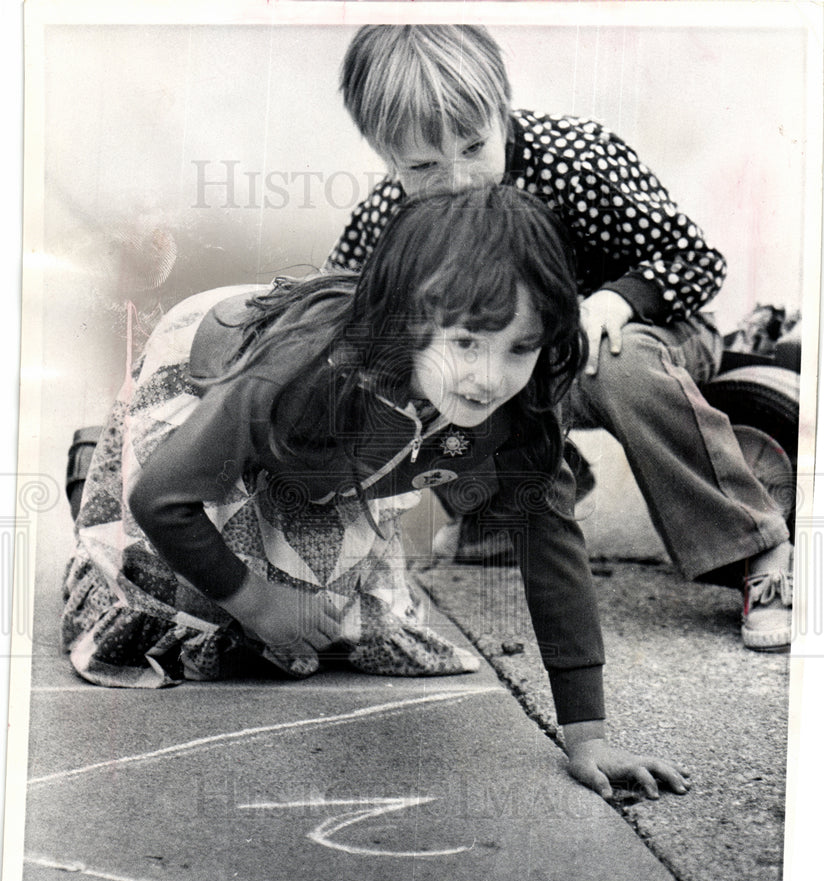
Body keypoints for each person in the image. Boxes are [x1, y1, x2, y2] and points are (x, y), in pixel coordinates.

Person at [61, 185, 689, 800]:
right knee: (180, 597)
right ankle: (95, 456)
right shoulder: (298, 370)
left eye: (519, 348)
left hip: (347, 444)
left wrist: (588, 736)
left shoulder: (520, 403)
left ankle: (291, 515)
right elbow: (162, 500)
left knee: (340, 625)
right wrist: (254, 602)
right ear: (406, 320)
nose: (489, 378)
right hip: (221, 369)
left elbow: (550, 544)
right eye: (466, 342)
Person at [324, 24, 794, 652]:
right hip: (524, 373)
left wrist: (615, 300)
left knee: (610, 364)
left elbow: (695, 258)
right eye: (424, 166)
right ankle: (504, 506)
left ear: (501, 107)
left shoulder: (574, 158)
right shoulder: (391, 216)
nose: (459, 179)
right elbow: (343, 316)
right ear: (385, 156)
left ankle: (756, 548)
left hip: (645, 340)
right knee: (414, 361)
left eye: (472, 146)